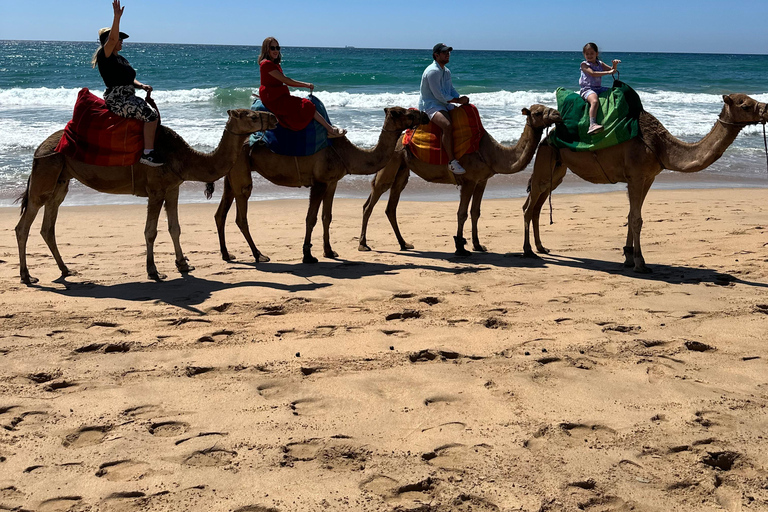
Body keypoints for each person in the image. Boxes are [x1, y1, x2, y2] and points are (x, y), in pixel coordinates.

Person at [92, 0, 163, 166]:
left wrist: (141, 85)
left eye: (121, 39)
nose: (121, 41)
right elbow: (112, 39)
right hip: (118, 100)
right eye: (119, 39)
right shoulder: (105, 55)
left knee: (151, 113)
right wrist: (116, 18)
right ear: (109, 41)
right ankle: (147, 154)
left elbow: (129, 79)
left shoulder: (120, 59)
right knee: (150, 116)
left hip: (129, 96)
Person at [258, 37, 346, 137]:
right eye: (272, 48)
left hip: (276, 94)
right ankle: (330, 130)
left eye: (277, 48)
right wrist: (305, 85)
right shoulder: (266, 64)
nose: (276, 51)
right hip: (273, 97)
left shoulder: (274, 63)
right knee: (307, 104)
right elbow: (286, 80)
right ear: (266, 49)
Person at [418, 43, 470, 175]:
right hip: (431, 106)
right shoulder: (432, 71)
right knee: (447, 125)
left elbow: (450, 90)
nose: (447, 54)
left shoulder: (446, 71)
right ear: (436, 55)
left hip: (444, 104)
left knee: (467, 114)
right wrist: (458, 101)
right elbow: (439, 95)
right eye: (444, 52)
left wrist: (460, 98)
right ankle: (452, 162)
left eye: (448, 52)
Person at [579, 42, 621, 135]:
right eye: (587, 54)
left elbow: (612, 71)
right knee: (594, 101)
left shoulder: (600, 63)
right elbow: (593, 73)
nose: (589, 56)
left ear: (596, 53)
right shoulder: (584, 64)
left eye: (592, 53)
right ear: (584, 54)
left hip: (598, 88)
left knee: (616, 92)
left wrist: (614, 65)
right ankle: (592, 124)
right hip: (587, 89)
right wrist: (608, 72)